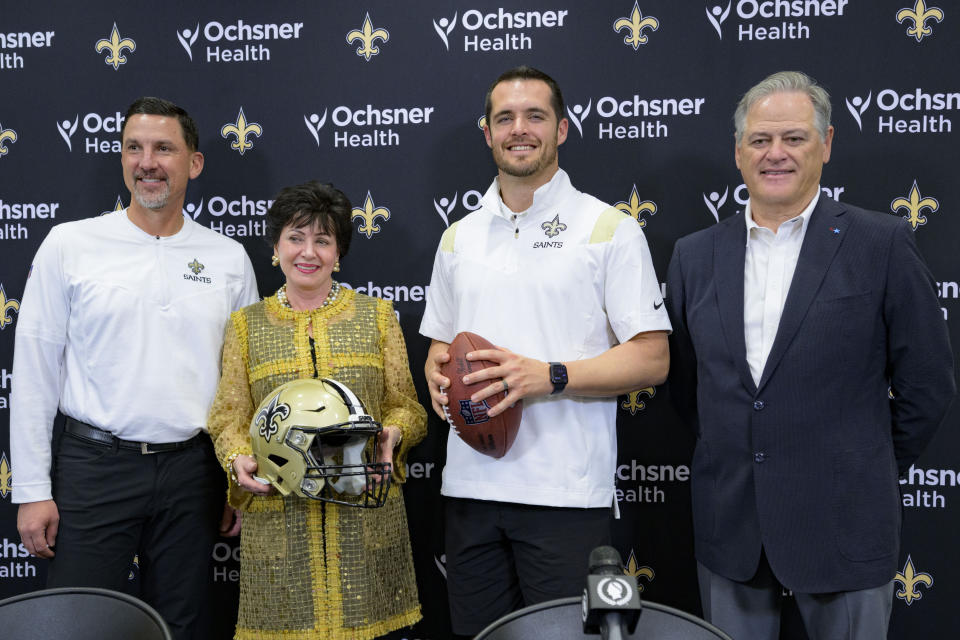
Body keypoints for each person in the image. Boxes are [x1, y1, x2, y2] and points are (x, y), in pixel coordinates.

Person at [666, 71, 955, 640]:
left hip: (846, 521)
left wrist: (863, 464)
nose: (776, 154)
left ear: (825, 145)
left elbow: (927, 384)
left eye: (795, 138)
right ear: (738, 151)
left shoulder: (882, 243)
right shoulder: (693, 255)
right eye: (760, 140)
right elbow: (688, 386)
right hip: (732, 530)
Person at [419, 66, 671, 637]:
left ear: (562, 128)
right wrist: (436, 372)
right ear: (487, 133)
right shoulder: (457, 236)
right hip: (469, 488)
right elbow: (441, 345)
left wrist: (547, 376)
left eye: (535, 115)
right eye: (504, 117)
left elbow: (653, 359)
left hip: (563, 493)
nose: (519, 129)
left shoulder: (608, 228)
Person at [10, 97, 259, 639]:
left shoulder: (229, 258)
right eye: (134, 148)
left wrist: (235, 486)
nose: (147, 162)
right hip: (93, 469)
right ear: (122, 159)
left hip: (193, 476)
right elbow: (32, 371)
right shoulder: (70, 244)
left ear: (193, 162)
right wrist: (31, 488)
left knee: (184, 627)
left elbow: (242, 386)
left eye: (164, 148)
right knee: (76, 626)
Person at [206, 180, 426, 640]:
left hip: (364, 515)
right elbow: (228, 417)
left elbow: (406, 406)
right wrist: (237, 458)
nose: (308, 252)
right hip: (279, 523)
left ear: (339, 252)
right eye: (296, 237)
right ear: (276, 246)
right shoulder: (246, 326)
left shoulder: (378, 317)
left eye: (323, 240)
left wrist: (392, 435)